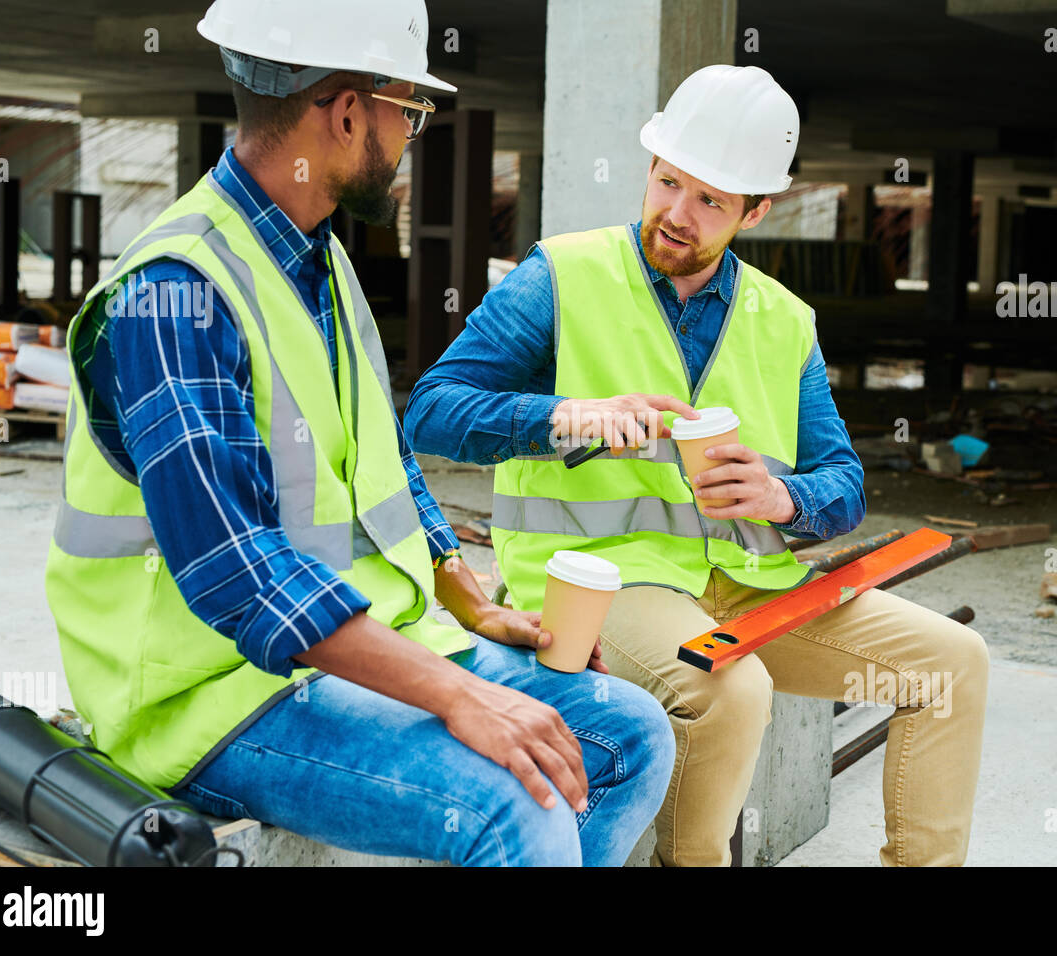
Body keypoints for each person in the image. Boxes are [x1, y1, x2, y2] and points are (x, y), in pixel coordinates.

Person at [42, 0, 673, 867]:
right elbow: (236, 575)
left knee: (631, 734)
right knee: (515, 806)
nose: (414, 134)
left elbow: (378, 456)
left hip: (358, 646)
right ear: (345, 114)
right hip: (217, 697)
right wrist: (458, 694)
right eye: (409, 111)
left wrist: (466, 598)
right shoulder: (173, 294)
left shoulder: (314, 254)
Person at [405, 64, 990, 866]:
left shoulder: (785, 322)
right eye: (668, 181)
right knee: (729, 689)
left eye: (710, 200)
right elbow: (433, 411)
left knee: (953, 663)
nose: (676, 214)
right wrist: (566, 416)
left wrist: (783, 498)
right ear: (649, 167)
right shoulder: (563, 276)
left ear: (758, 209)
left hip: (746, 587)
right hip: (601, 581)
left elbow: (843, 484)